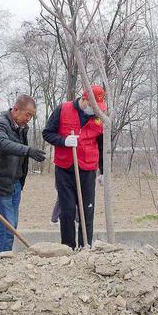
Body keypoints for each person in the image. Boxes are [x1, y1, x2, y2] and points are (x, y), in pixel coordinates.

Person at [43, 85, 105, 249]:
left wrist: (103, 171)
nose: (94, 110)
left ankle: (86, 246)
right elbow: (47, 133)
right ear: (84, 99)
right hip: (65, 167)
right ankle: (68, 247)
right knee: (68, 209)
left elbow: (102, 146)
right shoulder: (63, 109)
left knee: (87, 210)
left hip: (88, 168)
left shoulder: (100, 117)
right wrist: (63, 141)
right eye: (92, 106)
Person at [0, 95, 46, 254]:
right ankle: (3, 258)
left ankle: (6, 255)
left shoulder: (21, 127)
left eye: (31, 116)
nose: (29, 119)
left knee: (13, 224)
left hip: (15, 183)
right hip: (0, 183)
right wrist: (28, 151)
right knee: (6, 226)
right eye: (28, 115)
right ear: (16, 109)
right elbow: (2, 143)